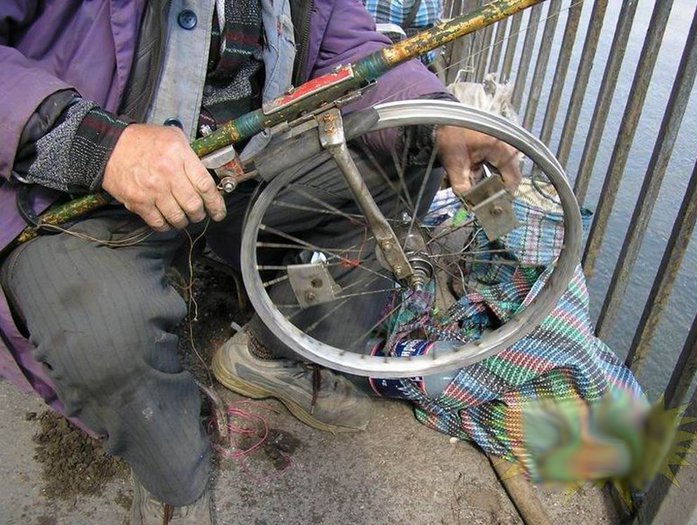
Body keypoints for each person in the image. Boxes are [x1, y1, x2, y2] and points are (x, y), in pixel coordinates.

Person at [0, 0, 521, 523]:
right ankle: (175, 482)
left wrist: (438, 117)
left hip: (245, 167)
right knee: (101, 335)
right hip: (84, 190)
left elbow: (353, 50)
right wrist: (98, 146)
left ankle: (272, 350)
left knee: (411, 153)